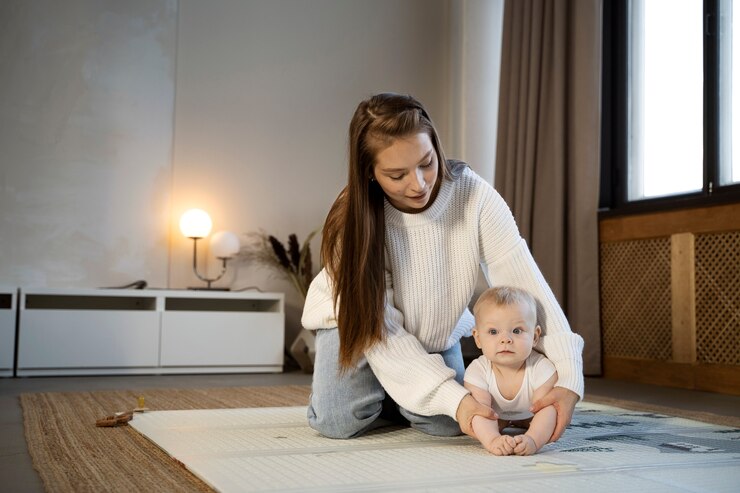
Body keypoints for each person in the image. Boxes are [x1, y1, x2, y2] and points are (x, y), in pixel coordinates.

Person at [301, 92, 583, 441]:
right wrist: (452, 397)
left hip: (434, 329)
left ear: (436, 145)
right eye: (396, 174)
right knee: (339, 422)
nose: (418, 184)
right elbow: (382, 332)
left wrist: (570, 377)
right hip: (358, 327)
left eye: (426, 162)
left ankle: (397, 389)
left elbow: (528, 290)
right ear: (370, 173)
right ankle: (386, 387)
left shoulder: (475, 196)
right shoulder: (352, 222)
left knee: (449, 425)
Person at [464, 286, 557, 455]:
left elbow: (544, 408)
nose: (505, 340)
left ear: (535, 336)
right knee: (479, 412)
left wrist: (533, 439)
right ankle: (495, 435)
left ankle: (532, 435)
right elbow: (481, 410)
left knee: (549, 409)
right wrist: (492, 439)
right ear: (478, 338)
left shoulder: (541, 368)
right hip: (496, 417)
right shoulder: (477, 371)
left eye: (516, 331)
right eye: (493, 331)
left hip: (531, 416)